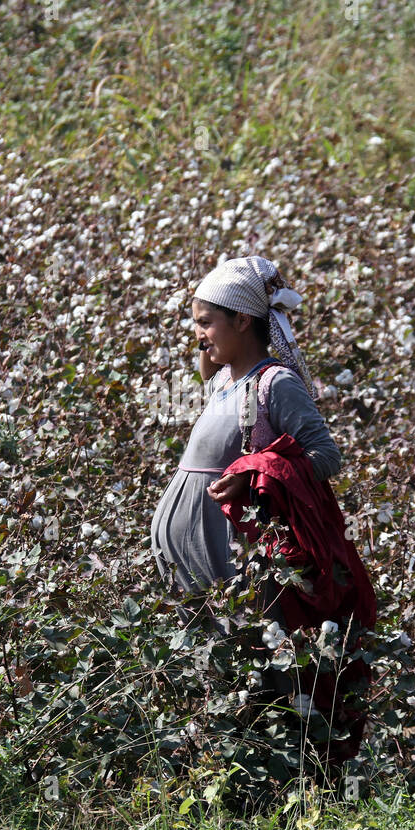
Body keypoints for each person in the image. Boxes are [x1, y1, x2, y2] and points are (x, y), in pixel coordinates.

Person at [150, 256, 342, 630]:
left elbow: (326, 456)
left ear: (242, 320)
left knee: (249, 665)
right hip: (194, 565)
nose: (197, 334)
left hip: (237, 560)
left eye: (205, 323)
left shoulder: (276, 383)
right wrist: (209, 341)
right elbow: (208, 366)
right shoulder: (223, 381)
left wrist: (254, 478)